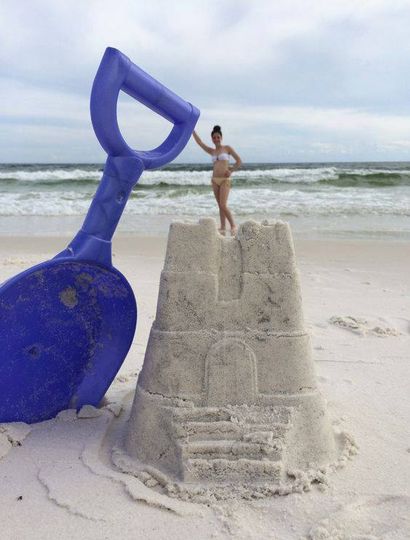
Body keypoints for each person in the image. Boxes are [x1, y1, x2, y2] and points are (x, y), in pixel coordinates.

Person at [193, 125, 242, 236]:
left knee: (223, 205)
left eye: (218, 137)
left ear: (221, 137)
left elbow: (239, 161)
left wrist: (231, 170)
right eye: (214, 137)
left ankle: (233, 225)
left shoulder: (227, 148)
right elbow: (200, 142)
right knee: (220, 205)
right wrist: (192, 130)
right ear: (212, 139)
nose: (216, 139)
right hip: (214, 180)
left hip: (225, 179)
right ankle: (223, 227)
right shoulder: (212, 151)